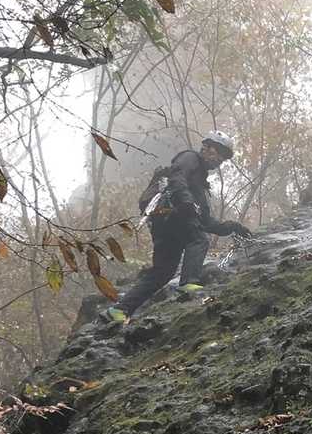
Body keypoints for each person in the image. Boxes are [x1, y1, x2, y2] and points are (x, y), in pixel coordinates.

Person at [106, 131, 252, 323]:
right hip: (170, 215)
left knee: (163, 272)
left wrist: (232, 227)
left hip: (165, 224)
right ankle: (189, 283)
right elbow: (177, 177)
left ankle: (119, 310)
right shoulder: (190, 158)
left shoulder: (200, 185)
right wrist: (186, 202)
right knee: (199, 239)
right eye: (218, 152)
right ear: (206, 147)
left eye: (223, 157)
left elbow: (205, 221)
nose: (219, 160)